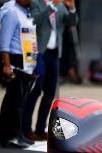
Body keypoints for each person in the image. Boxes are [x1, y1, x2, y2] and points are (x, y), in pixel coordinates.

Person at [23, 0, 78, 141]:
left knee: (50, 92)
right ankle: (26, 128)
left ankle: (40, 129)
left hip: (54, 53)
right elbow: (34, 20)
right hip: (39, 52)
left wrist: (71, 9)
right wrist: (51, 6)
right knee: (36, 90)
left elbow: (71, 23)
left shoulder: (61, 6)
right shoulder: (36, 3)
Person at [0, 0, 38, 148]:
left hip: (25, 62)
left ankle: (7, 135)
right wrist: (7, 64)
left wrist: (32, 65)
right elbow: (4, 42)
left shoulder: (26, 13)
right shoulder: (12, 12)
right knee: (15, 101)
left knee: (15, 100)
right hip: (14, 60)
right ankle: (12, 135)